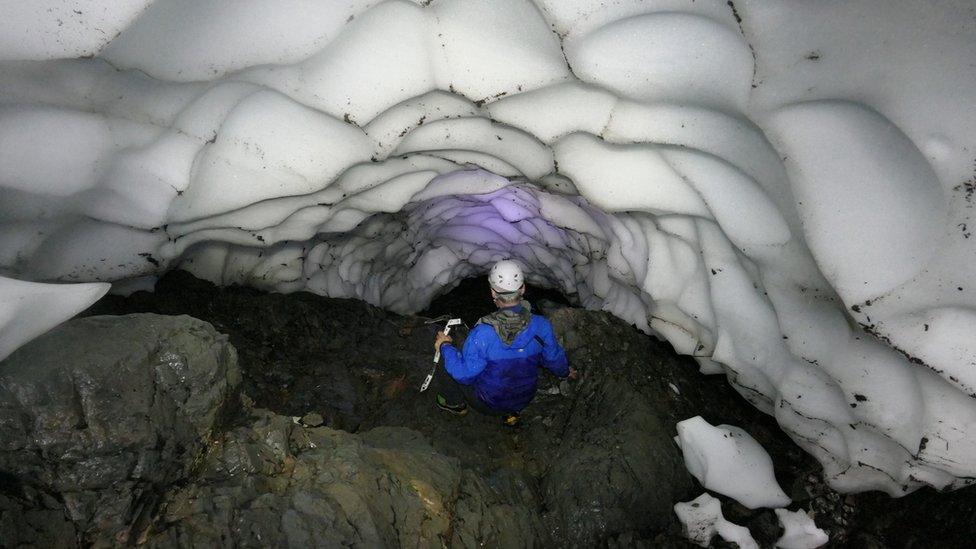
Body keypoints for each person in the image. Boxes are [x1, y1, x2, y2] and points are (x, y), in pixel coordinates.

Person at [433, 260, 576, 426]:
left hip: (487, 403)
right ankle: (510, 414)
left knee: (448, 356)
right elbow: (553, 358)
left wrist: (445, 346)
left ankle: (454, 403)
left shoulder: (483, 333)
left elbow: (464, 375)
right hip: (523, 400)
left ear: (493, 293)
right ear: (522, 288)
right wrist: (565, 372)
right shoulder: (541, 326)